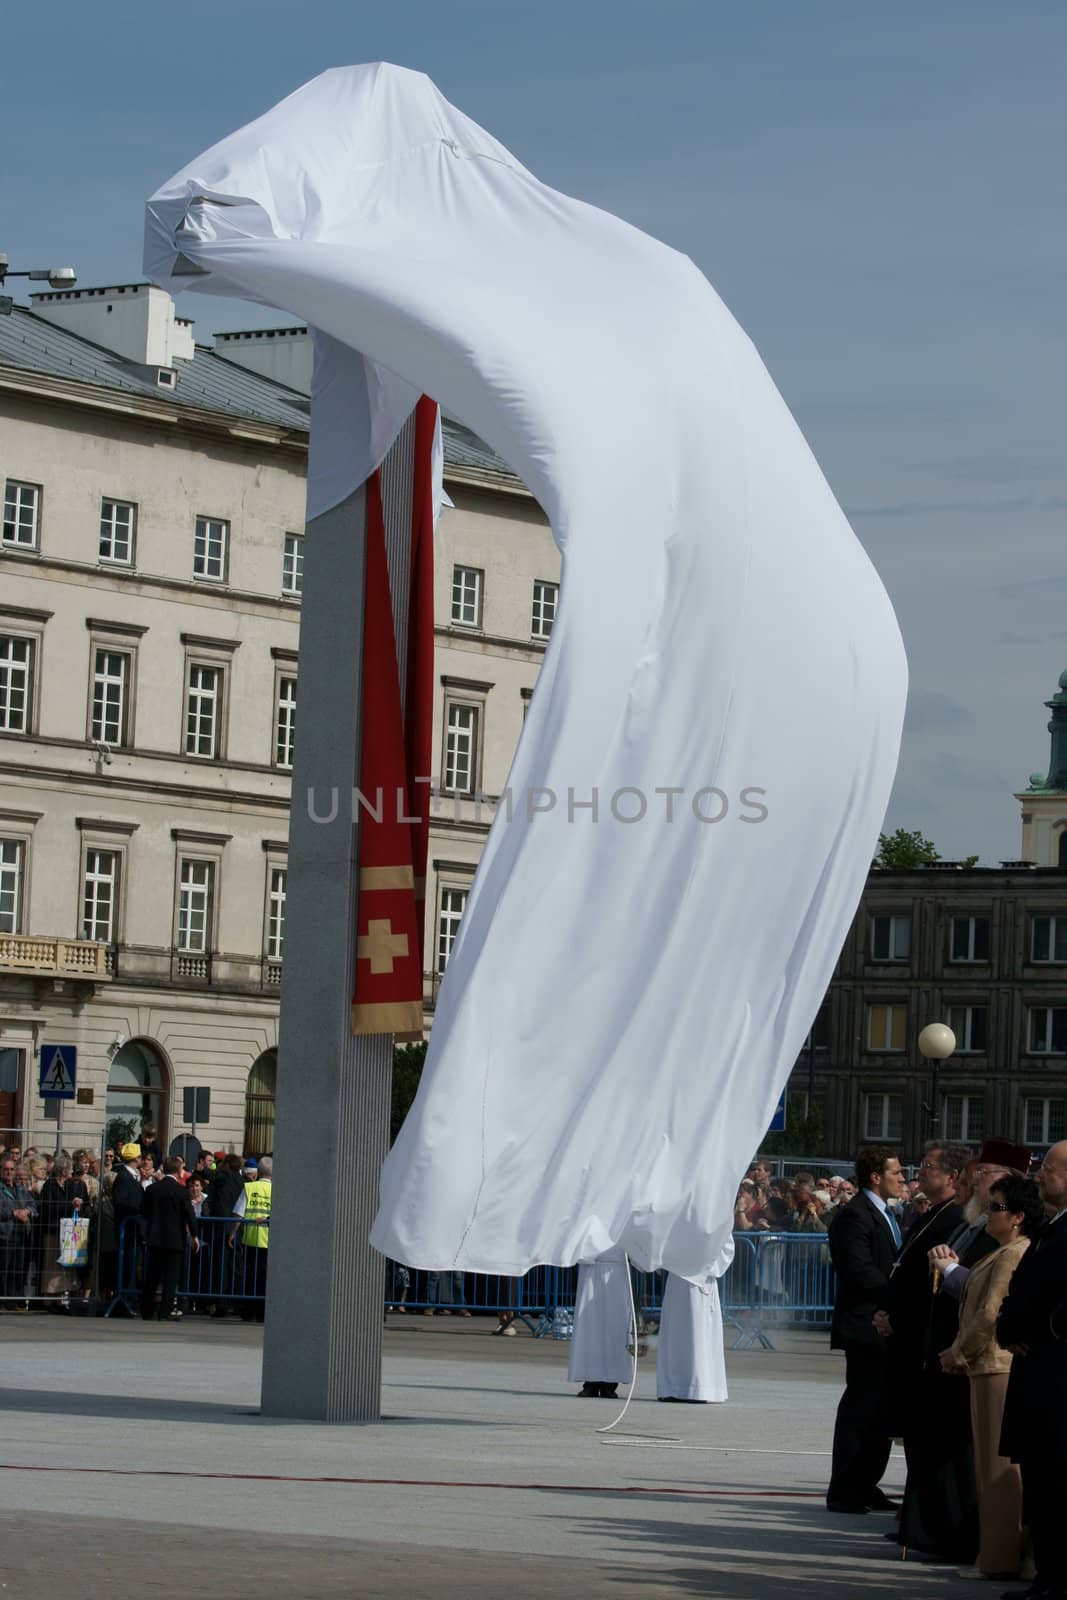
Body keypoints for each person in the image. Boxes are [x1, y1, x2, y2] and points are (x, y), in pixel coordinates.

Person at [938, 1174, 1043, 1580]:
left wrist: (959, 1350)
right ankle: (996, 1553)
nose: (989, 1214)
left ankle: (1000, 1558)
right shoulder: (1001, 1251)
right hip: (985, 1367)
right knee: (988, 1467)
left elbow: (989, 1313)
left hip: (995, 1366)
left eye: (997, 1208)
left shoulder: (1014, 1253)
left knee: (999, 1471)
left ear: (1017, 1217)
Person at [880, 1140, 974, 1561]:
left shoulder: (951, 1216)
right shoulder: (930, 1214)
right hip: (908, 1337)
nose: (921, 1172)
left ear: (952, 1178)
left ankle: (921, 1521)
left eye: (931, 1167)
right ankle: (913, 1518)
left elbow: (929, 1281)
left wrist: (899, 1315)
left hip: (924, 1336)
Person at [996, 1140, 1067, 1600]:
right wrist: (1007, 1327)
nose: (1040, 1174)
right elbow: (1018, 1291)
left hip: (1057, 1378)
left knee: (1057, 1486)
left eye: (1051, 1168)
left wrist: (1039, 1328)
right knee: (1043, 1485)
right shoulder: (1051, 1228)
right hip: (1039, 1376)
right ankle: (1049, 1575)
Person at [825, 1145, 904, 1513]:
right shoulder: (854, 1216)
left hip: (884, 1325)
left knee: (879, 1411)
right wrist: (901, 1294)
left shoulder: (885, 1214)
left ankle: (866, 1482)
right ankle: (845, 1488)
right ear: (876, 1176)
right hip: (865, 1325)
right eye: (896, 1172)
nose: (902, 1178)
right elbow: (860, 1271)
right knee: (861, 1410)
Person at [657, 1242, 733, 1404]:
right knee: (676, 1335)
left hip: (700, 1279)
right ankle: (673, 1387)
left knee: (698, 1334)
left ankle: (699, 1387)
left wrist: (702, 1265)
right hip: (678, 1279)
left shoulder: (717, 1216)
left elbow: (726, 1247)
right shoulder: (676, 1216)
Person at [139, 1155, 200, 1321]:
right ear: (178, 1170)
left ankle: (146, 1310)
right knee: (171, 1277)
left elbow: (143, 1212)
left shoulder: (152, 1190)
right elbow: (189, 1214)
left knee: (152, 1275)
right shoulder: (181, 1191)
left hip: (155, 1238)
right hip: (175, 1239)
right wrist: (195, 1235)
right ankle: (164, 1312)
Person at [567, 1252, 632, 1398]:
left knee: (615, 1327)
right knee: (590, 1326)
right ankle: (590, 1379)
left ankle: (611, 1382)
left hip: (617, 1269)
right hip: (591, 1266)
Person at [230, 1154, 271, 1321]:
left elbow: (238, 1214)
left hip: (250, 1239)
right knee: (265, 1278)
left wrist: (232, 1233)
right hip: (269, 1240)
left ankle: (248, 1311)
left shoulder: (249, 1188)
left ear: (258, 1172)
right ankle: (262, 1313)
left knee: (249, 1276)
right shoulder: (277, 1190)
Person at [111, 1142, 145, 1310]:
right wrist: (137, 1211)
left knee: (133, 1263)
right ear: (136, 1158)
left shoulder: (132, 1175)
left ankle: (130, 1296)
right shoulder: (124, 1176)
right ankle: (125, 1299)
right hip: (128, 1228)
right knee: (128, 1264)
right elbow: (120, 1201)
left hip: (133, 1229)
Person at [0, 1153, 36, 1309]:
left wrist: (27, 1212)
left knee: (17, 1268)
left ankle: (13, 1300)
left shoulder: (21, 1189)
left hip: (21, 1234)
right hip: (4, 1234)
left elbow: (33, 1205)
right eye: (6, 1169)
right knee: (3, 1269)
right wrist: (14, 1213)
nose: (9, 1172)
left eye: (12, 1169)